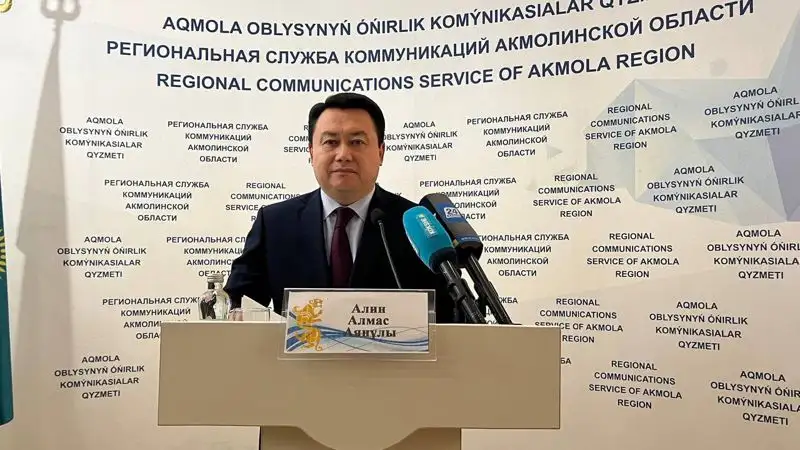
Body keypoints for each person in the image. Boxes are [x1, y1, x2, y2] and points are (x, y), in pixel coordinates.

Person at [224, 92, 457, 322]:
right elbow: (237, 306)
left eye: (357, 142)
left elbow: (451, 317)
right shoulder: (275, 223)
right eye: (330, 142)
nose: (343, 154)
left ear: (380, 152)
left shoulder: (418, 227)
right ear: (311, 152)